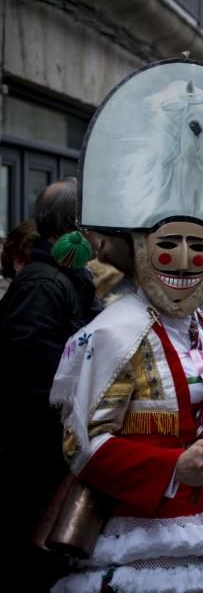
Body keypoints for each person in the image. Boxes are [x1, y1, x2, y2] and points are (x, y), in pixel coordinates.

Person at [47, 59, 203, 592]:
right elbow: (82, 446)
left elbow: (202, 422)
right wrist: (172, 469)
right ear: (140, 251)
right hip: (139, 541)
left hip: (199, 528)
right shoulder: (115, 332)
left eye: (199, 247)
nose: (184, 262)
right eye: (168, 247)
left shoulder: (202, 325)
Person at [1, 179, 101, 590]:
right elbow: (30, 375)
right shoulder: (44, 284)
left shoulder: (67, 277)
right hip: (36, 452)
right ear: (74, 226)